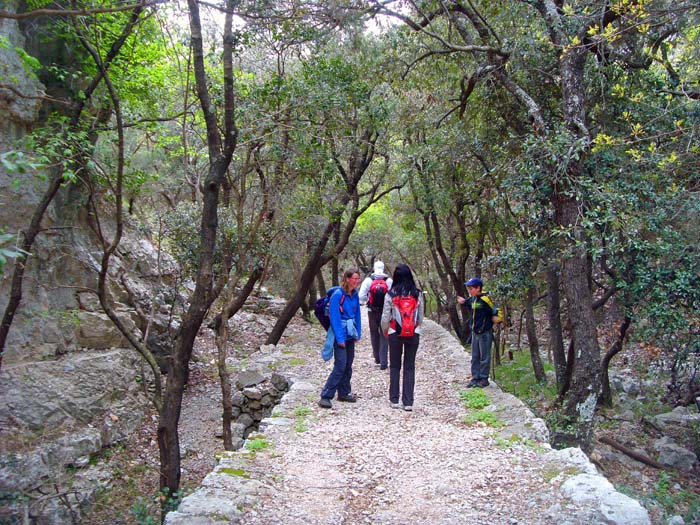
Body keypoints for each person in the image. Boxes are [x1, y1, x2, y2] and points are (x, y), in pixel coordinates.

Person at [381, 263, 424, 411]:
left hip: (395, 332)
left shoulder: (391, 294)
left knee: (394, 365)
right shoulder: (417, 294)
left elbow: (385, 316)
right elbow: (421, 317)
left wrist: (385, 330)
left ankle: (394, 400)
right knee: (409, 366)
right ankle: (408, 402)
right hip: (413, 333)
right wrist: (414, 327)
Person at [318, 268, 363, 409]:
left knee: (348, 363)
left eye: (358, 279)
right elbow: (335, 318)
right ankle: (326, 395)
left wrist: (358, 333)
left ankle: (344, 392)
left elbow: (357, 315)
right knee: (340, 365)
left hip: (350, 332)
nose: (356, 281)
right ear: (347, 279)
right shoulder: (338, 295)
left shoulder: (354, 294)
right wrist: (340, 338)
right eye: (354, 278)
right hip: (341, 334)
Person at [457, 277, 503, 388]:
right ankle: (475, 378)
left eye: (471, 288)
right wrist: (463, 303)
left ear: (478, 288)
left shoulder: (485, 299)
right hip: (475, 332)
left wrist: (497, 317)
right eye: (469, 288)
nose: (469, 291)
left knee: (484, 357)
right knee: (475, 356)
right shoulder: (473, 299)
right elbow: (471, 307)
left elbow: (494, 309)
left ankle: (483, 378)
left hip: (484, 333)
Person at [358, 260, 392, 369]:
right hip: (385, 312)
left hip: (372, 311)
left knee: (374, 334)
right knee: (384, 335)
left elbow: (361, 296)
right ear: (383, 268)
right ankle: (384, 362)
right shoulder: (389, 281)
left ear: (373, 268)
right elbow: (393, 296)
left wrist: (368, 299)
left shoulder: (368, 280)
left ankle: (377, 357)